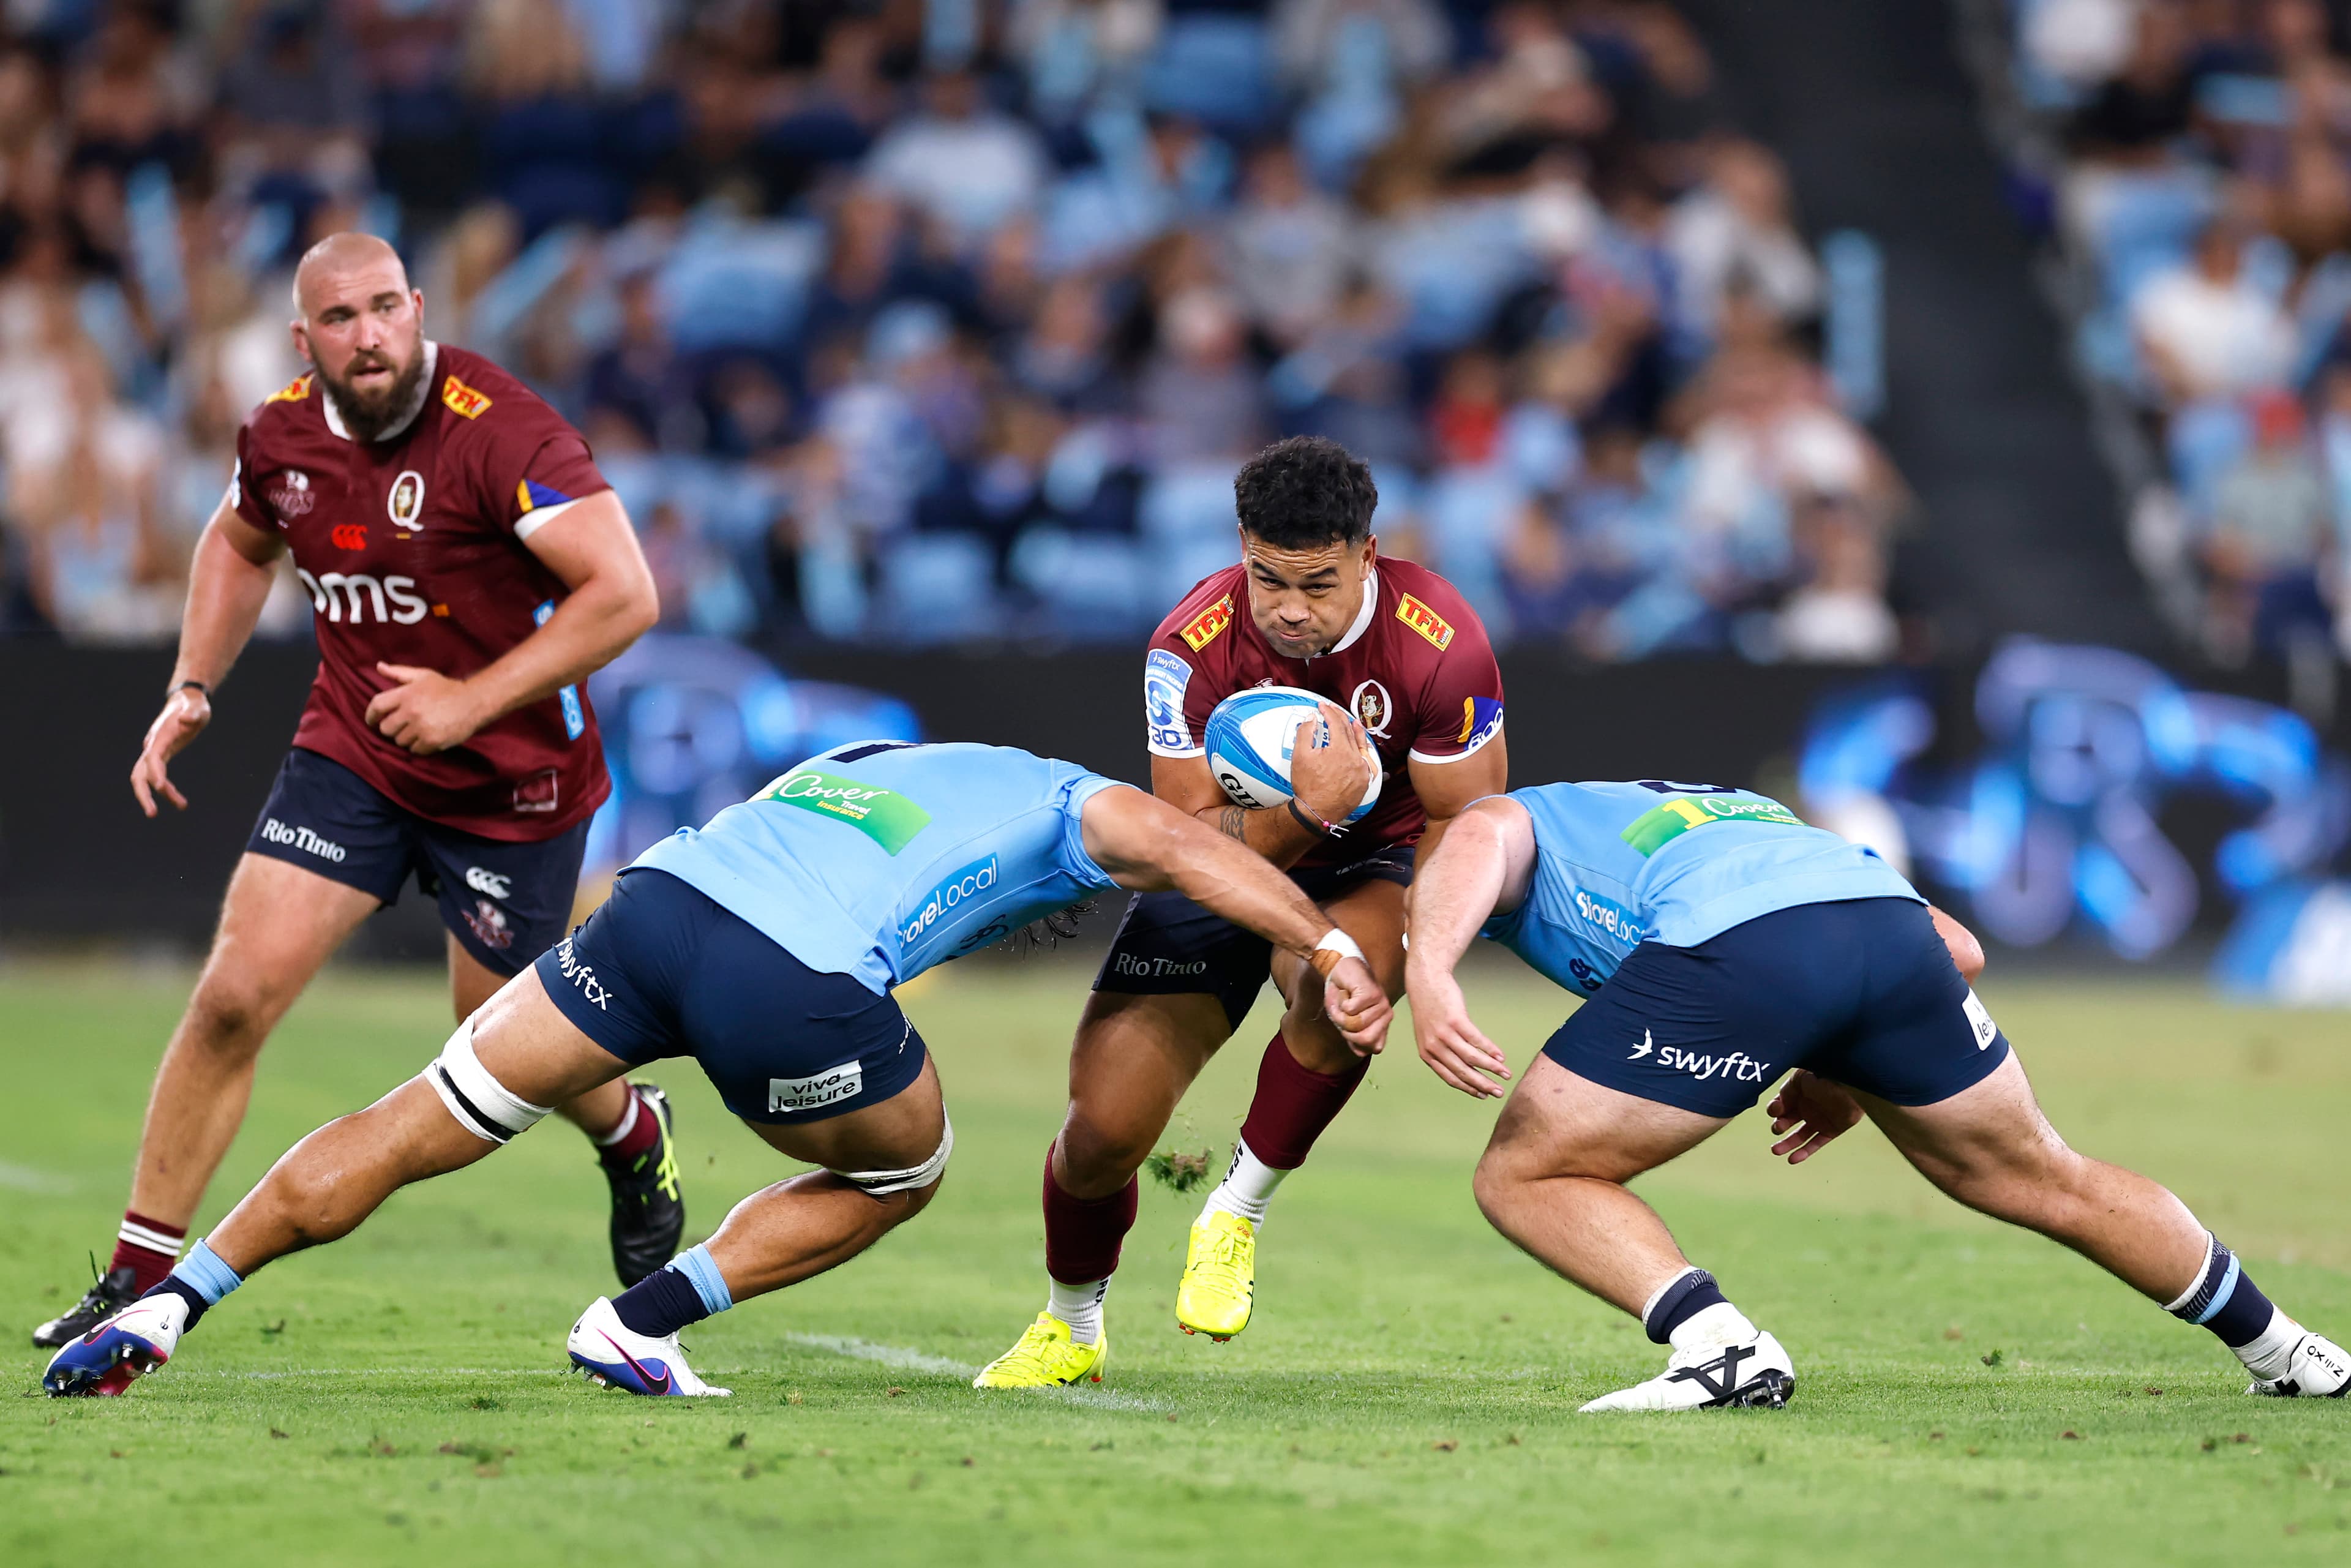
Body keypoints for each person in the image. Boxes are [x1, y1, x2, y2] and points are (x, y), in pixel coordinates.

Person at [44, 741, 1392, 1400]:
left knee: (421, 1117)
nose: (1297, 852)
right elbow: (1197, 854)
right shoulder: (1095, 802)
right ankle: (638, 1323)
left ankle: (170, 1304)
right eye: (1306, 828)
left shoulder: (893, 755)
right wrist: (1328, 938)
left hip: (655, 909)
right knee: (905, 1168)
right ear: (1245, 787)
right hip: (787, 976)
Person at [32, 233, 673, 1349]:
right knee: (234, 993)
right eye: (341, 318)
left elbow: (625, 596)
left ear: (419, 310)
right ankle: (136, 1276)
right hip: (358, 751)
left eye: (386, 309)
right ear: (304, 339)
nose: (368, 335)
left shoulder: (502, 429)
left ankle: (629, 1132)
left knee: (495, 1037)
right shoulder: (280, 434)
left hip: (511, 782)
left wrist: (471, 703)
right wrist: (191, 685)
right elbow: (238, 543)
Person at [1403, 779, 2351, 1410]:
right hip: (1895, 937)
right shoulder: (1738, 812)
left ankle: (1716, 1344)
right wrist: (1838, 1060)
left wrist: (1432, 969)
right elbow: (1964, 949)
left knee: (1525, 1172)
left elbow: (1481, 827)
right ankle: (2289, 1349)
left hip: (1741, 946)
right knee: (2046, 1174)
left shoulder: (1526, 818)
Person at [975, 435, 1506, 1387]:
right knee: (1100, 1133)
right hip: (1223, 863)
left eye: (1319, 584)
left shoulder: (1444, 643)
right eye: (1270, 580)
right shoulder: (1188, 644)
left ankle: (1237, 1210)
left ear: (1368, 557)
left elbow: (1462, 827)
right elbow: (1181, 838)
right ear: (1240, 546)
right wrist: (1303, 811)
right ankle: (1071, 1325)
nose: (1292, 609)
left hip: (1373, 860)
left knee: (1341, 986)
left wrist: (1420, 953)